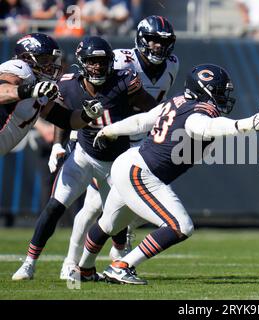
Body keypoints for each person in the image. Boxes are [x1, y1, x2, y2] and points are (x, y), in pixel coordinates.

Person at [70, 63, 259, 284]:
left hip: (129, 163)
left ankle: (84, 269)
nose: (222, 97)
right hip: (141, 172)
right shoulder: (198, 112)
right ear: (204, 90)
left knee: (108, 224)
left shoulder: (176, 102)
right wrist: (250, 123)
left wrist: (111, 129)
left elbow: (142, 121)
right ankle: (122, 266)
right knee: (180, 226)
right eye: (219, 91)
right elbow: (206, 128)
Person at [12, 36, 157, 281]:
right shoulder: (68, 85)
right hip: (83, 156)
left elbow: (151, 109)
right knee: (54, 207)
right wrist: (58, 144)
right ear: (82, 62)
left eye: (102, 62)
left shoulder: (123, 82)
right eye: (92, 61)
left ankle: (116, 265)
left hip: (114, 163)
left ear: (110, 62)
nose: (98, 67)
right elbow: (63, 117)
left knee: (115, 219)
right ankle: (29, 263)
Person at [53, 15, 179, 280]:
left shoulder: (172, 65)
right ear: (142, 40)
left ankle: (116, 247)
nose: (158, 47)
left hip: (142, 141)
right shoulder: (120, 59)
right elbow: (83, 93)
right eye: (153, 40)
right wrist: (76, 134)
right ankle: (73, 262)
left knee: (135, 203)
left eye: (163, 42)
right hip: (109, 140)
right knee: (93, 207)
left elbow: (155, 105)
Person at [0, 33, 104, 156]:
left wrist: (87, 115)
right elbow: (2, 91)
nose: (50, 65)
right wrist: (30, 90)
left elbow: (66, 120)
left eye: (52, 60)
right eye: (44, 60)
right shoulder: (21, 68)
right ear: (26, 58)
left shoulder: (38, 87)